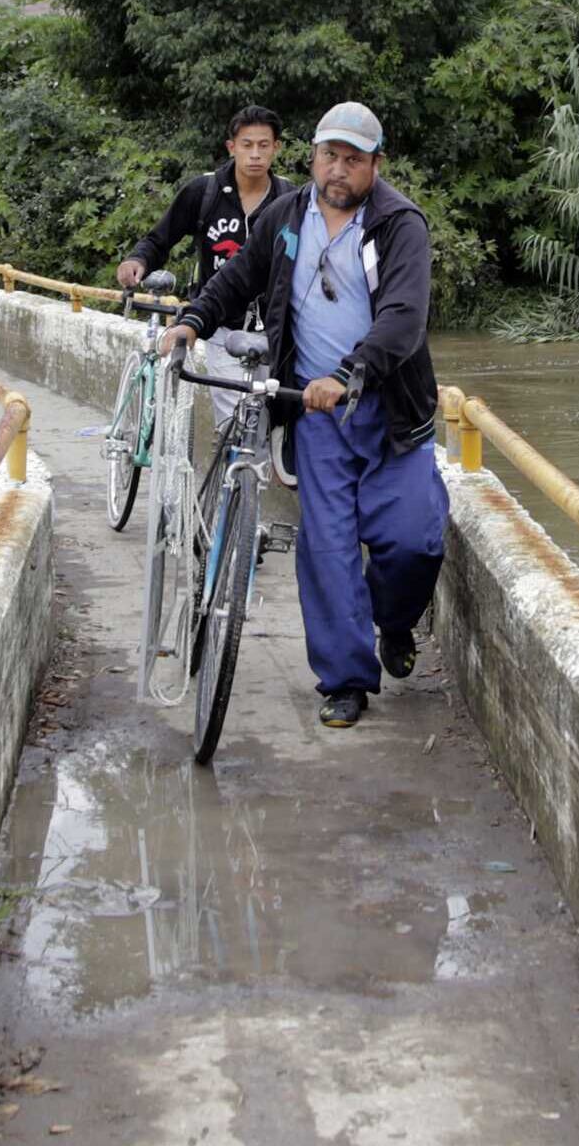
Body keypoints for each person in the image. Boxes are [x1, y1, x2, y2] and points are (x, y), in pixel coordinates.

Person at [163, 101, 444, 730]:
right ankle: (345, 678)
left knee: (413, 541)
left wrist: (349, 374)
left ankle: (393, 623)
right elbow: (238, 277)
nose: (338, 170)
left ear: (376, 164)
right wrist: (192, 321)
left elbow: (404, 317)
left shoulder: (400, 226)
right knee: (329, 546)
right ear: (312, 156)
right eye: (329, 156)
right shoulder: (287, 217)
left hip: (390, 410)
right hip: (314, 416)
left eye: (353, 160)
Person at [116, 105, 287, 299]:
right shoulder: (204, 191)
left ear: (276, 147)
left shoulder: (289, 198)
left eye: (263, 145)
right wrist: (138, 260)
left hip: (269, 323)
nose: (255, 154)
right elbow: (159, 240)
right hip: (209, 318)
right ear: (232, 148)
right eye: (247, 145)